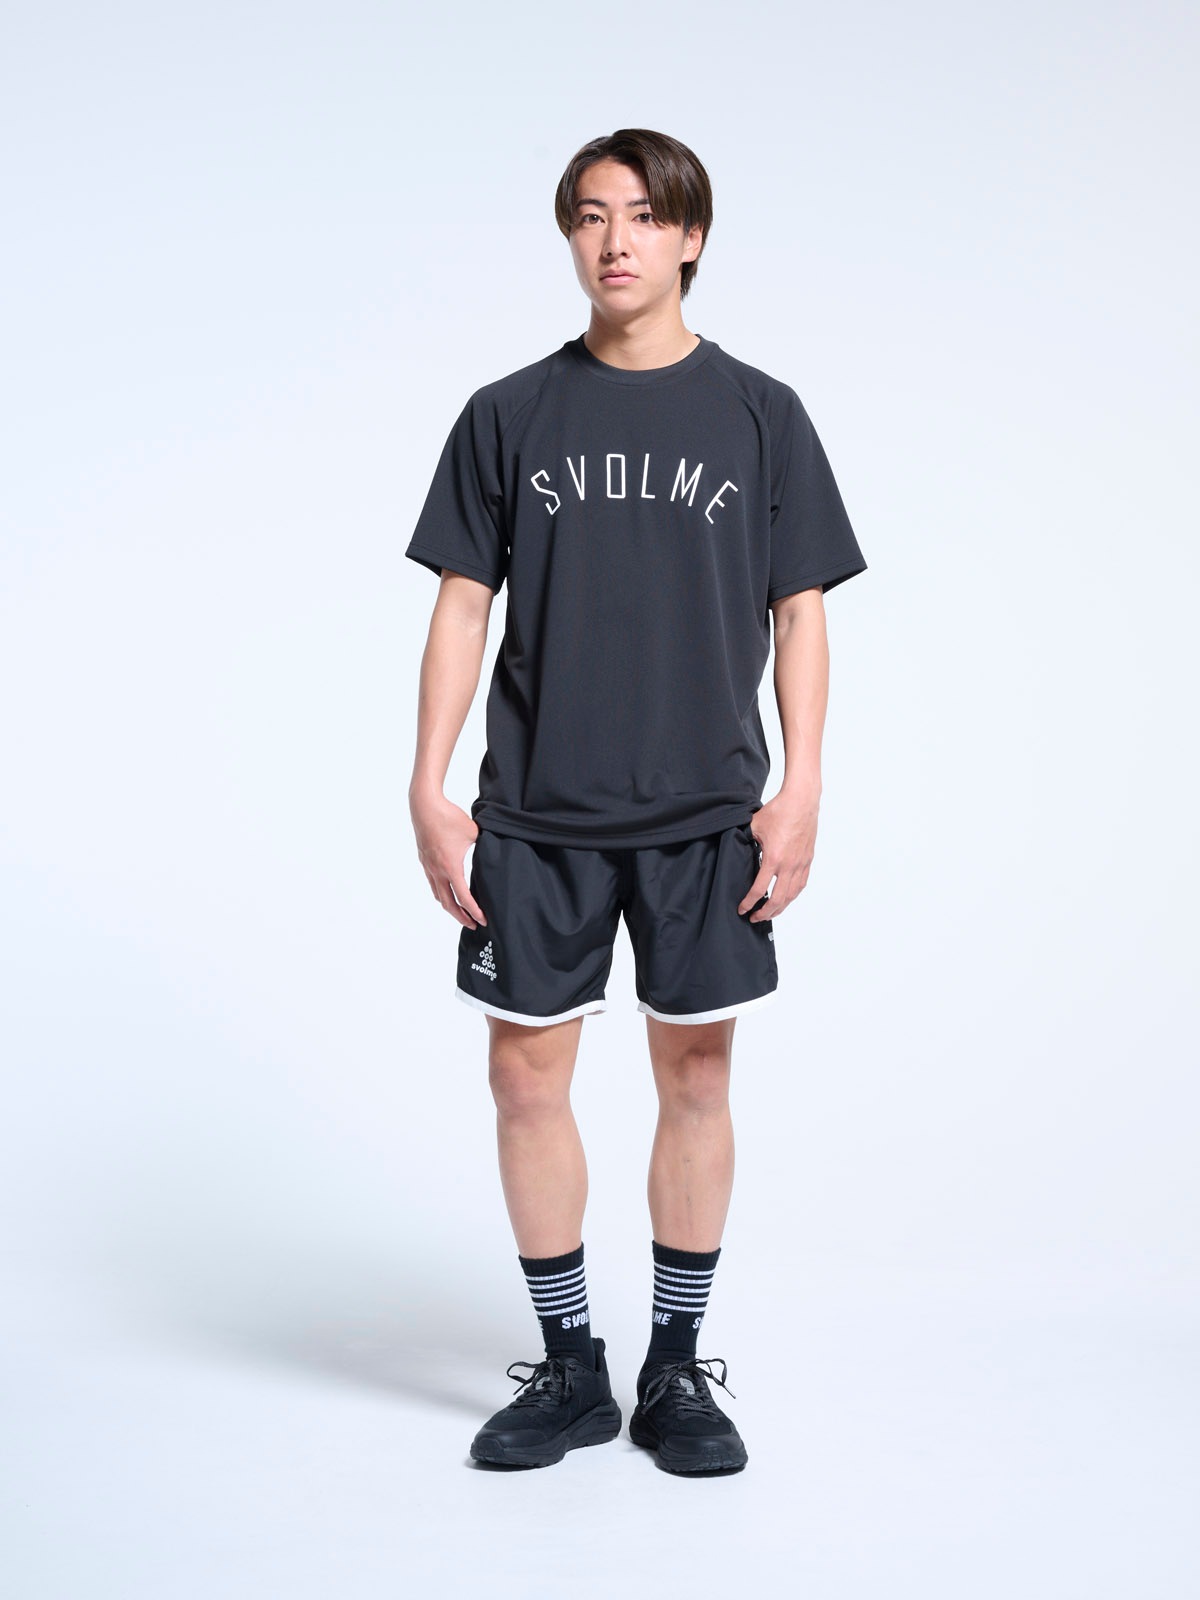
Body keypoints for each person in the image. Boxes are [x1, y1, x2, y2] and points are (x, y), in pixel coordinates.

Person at [405, 127, 867, 1474]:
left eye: (646, 215)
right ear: (571, 237)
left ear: (691, 238)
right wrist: (427, 784)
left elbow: (801, 612)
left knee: (698, 1072)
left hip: (706, 810)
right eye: (593, 215)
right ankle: (570, 1368)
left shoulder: (761, 413)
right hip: (535, 812)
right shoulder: (508, 413)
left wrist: (803, 787)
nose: (617, 240)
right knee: (523, 1078)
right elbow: (461, 605)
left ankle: (675, 1369)